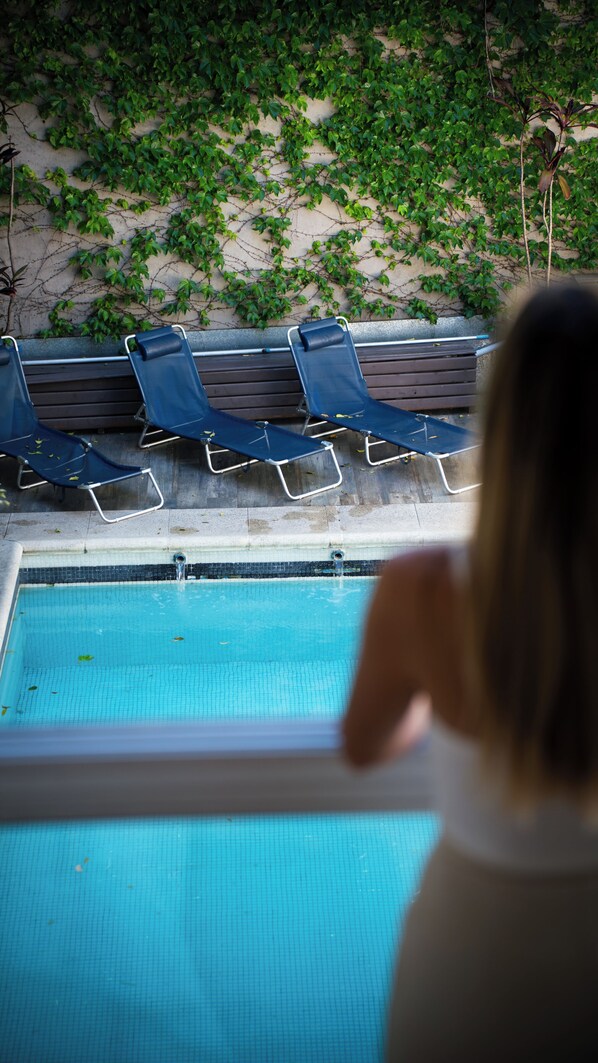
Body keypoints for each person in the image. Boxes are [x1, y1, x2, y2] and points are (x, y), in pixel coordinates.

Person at [342, 283, 598, 1062]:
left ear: (506, 419)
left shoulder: (423, 593)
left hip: (473, 956)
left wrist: (436, 695)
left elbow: (366, 745)